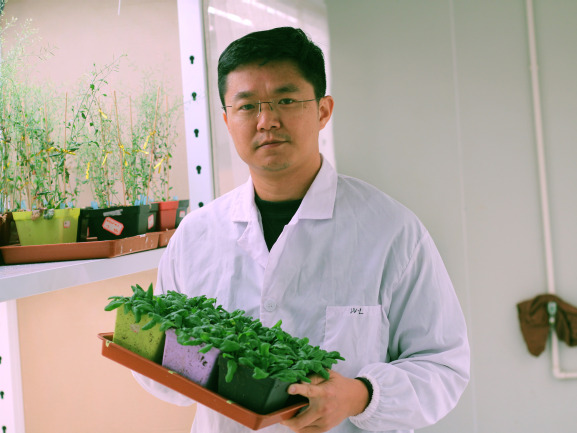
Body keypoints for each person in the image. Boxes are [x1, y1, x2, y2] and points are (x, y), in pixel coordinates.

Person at [133, 26, 470, 433]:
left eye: (286, 100)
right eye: (247, 106)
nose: (267, 121)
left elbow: (443, 365)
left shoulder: (391, 231)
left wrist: (359, 395)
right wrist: (153, 345)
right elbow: (170, 379)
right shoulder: (196, 237)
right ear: (226, 120)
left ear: (323, 110)